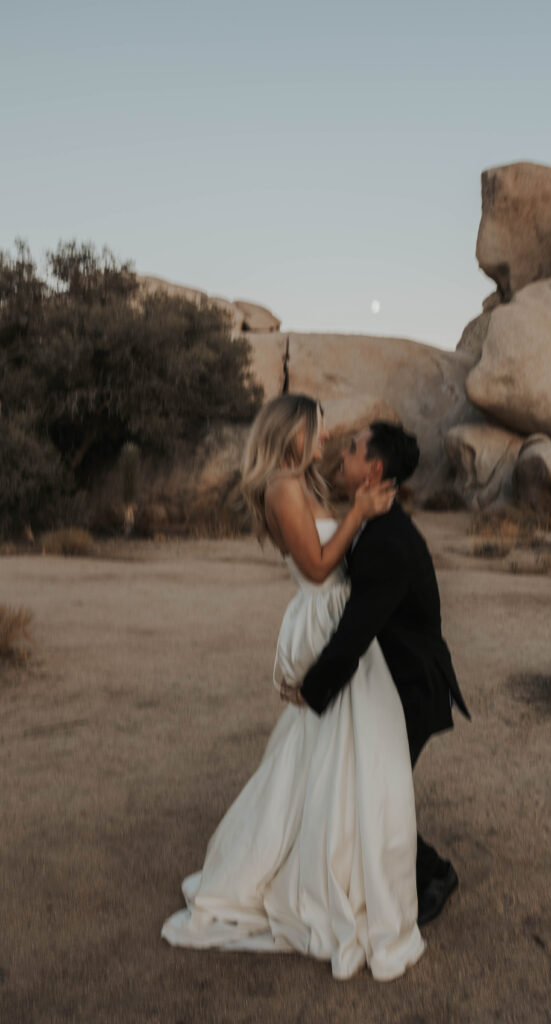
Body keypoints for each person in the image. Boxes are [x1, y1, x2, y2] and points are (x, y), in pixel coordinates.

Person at [162, 394, 425, 981]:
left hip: (336, 615)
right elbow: (316, 564)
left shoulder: (299, 482)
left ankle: (341, 850)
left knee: (334, 751)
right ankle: (311, 868)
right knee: (332, 745)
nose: (328, 439)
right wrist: (358, 512)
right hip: (323, 616)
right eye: (321, 429)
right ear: (293, 433)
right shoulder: (284, 486)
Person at [282, 421, 470, 926]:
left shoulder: (388, 538)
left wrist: (314, 686)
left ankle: (434, 874)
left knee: (377, 795)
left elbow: (357, 628)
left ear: (375, 469)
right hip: (390, 683)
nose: (341, 456)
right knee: (371, 790)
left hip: (411, 688)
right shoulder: (374, 521)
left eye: (352, 450)